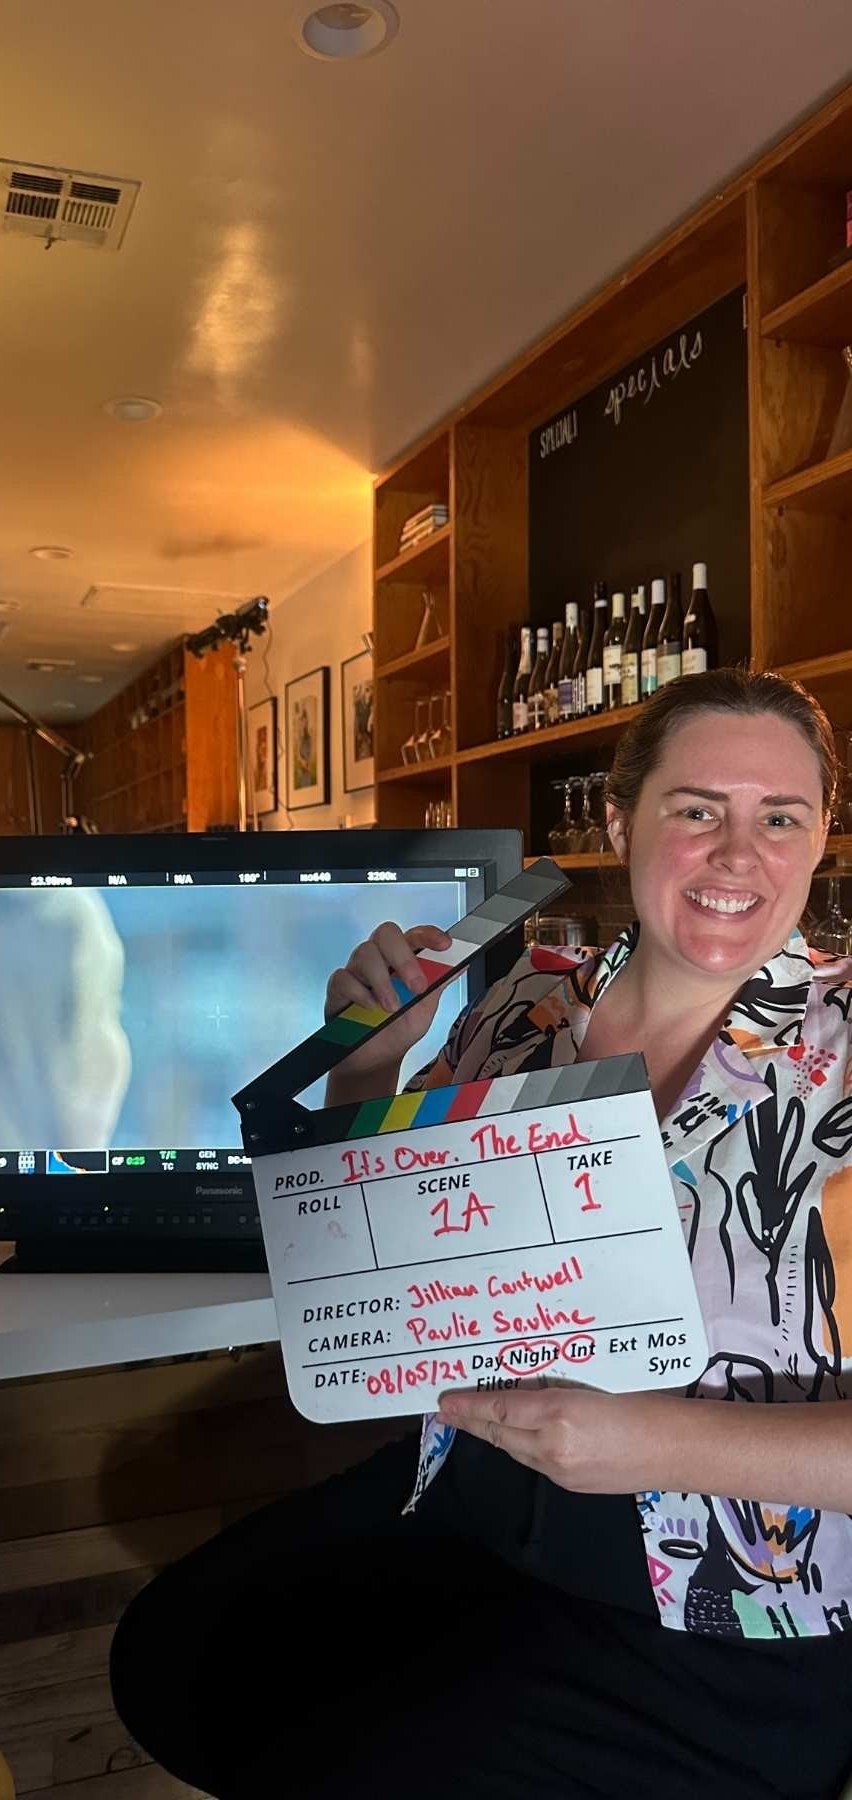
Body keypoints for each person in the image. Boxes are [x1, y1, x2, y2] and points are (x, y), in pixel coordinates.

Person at [110, 668, 852, 1800]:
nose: (738, 854)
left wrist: (657, 1445)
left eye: (780, 818)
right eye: (698, 809)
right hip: (467, 1497)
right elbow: (368, 1254)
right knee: (170, 1656)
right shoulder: (522, 1009)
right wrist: (370, 1063)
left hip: (728, 1611)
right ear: (621, 823)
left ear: (821, 836)